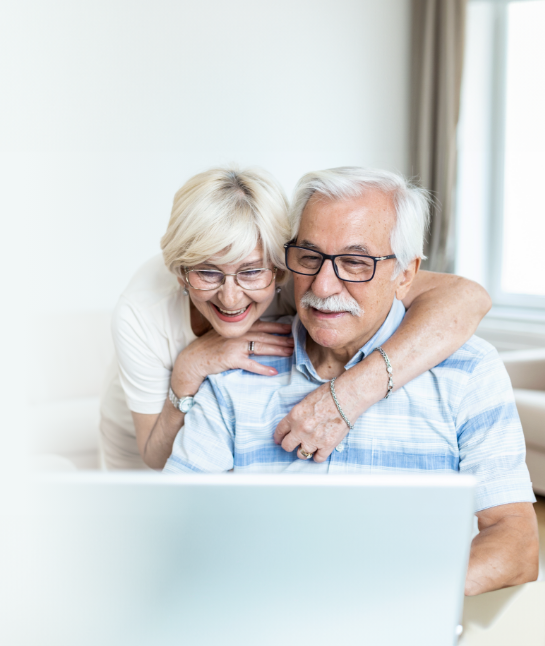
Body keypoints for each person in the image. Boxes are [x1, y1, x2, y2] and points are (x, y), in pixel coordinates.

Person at [163, 167, 538, 596]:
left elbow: (517, 543)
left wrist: (384, 600)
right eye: (309, 257)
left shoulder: (469, 372)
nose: (323, 285)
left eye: (355, 263)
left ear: (406, 274)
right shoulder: (236, 371)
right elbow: (172, 526)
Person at [99, 167, 492, 470]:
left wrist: (350, 394)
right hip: (146, 441)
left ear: (279, 265)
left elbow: (467, 297)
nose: (231, 297)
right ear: (181, 270)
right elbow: (153, 455)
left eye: (251, 272)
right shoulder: (141, 311)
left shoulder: (306, 275)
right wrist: (189, 368)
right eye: (207, 273)